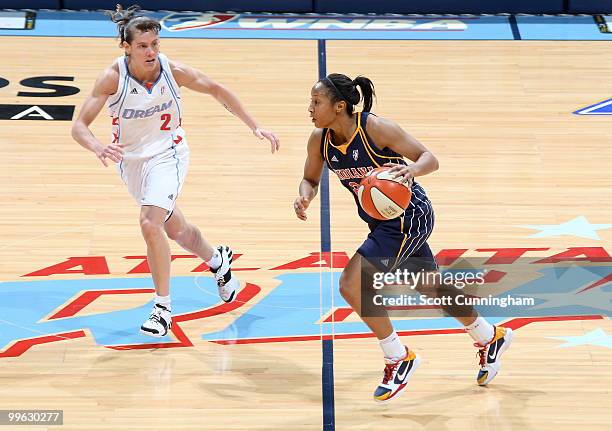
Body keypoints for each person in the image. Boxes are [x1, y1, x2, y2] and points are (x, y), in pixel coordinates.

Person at [294, 73, 512, 403]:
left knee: (352, 284)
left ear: (339, 107)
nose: (310, 109)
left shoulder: (376, 129)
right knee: (430, 285)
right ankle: (489, 336)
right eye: (311, 102)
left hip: (409, 215)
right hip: (382, 222)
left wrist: (411, 171)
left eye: (316, 102)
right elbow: (309, 178)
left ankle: (398, 357)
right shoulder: (319, 140)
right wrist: (305, 196)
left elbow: (429, 159)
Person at [71, 5, 279, 338]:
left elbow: (217, 89)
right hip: (132, 163)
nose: (151, 51)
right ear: (126, 47)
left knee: (149, 222)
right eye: (143, 46)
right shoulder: (112, 78)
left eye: (155, 44)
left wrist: (254, 126)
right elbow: (79, 126)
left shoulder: (172, 71)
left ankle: (162, 308)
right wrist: (97, 146)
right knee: (176, 230)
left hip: (169, 156)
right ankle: (217, 261)